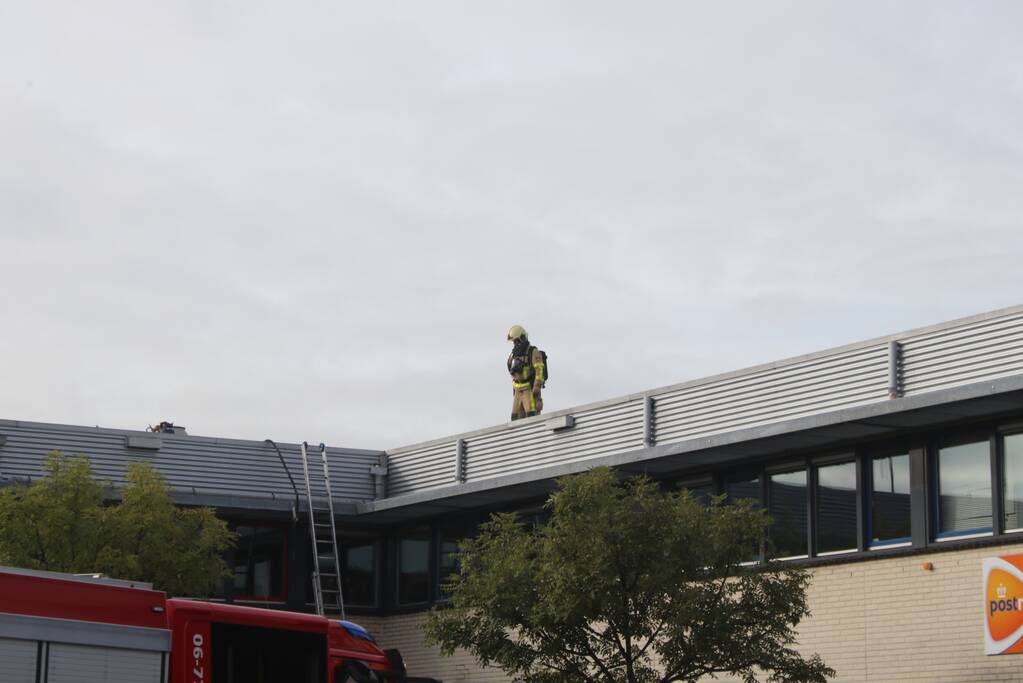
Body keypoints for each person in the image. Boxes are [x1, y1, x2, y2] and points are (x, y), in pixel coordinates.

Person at [507, 325, 546, 421]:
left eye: (517, 341)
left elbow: (539, 369)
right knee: (516, 417)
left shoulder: (533, 352)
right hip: (517, 388)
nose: (515, 344)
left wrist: (536, 386)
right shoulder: (513, 354)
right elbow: (510, 368)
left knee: (531, 415)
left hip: (528, 388)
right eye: (514, 342)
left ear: (523, 338)